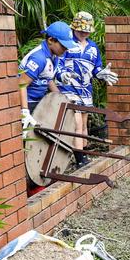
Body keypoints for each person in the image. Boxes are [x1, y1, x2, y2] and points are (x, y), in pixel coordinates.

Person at [57, 11, 118, 166]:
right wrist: (62, 75)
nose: (84, 33)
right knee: (76, 125)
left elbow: (96, 69)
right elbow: (58, 64)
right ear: (74, 28)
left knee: (83, 125)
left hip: (85, 91)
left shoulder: (93, 47)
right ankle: (80, 160)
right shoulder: (67, 42)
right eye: (81, 30)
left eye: (87, 31)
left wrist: (101, 73)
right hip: (68, 90)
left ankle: (83, 153)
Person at [18, 21, 78, 137]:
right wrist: (24, 111)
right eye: (63, 46)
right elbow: (21, 84)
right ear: (51, 40)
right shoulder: (39, 58)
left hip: (39, 102)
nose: (66, 49)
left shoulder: (54, 55)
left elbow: (48, 79)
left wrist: (62, 99)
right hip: (27, 103)